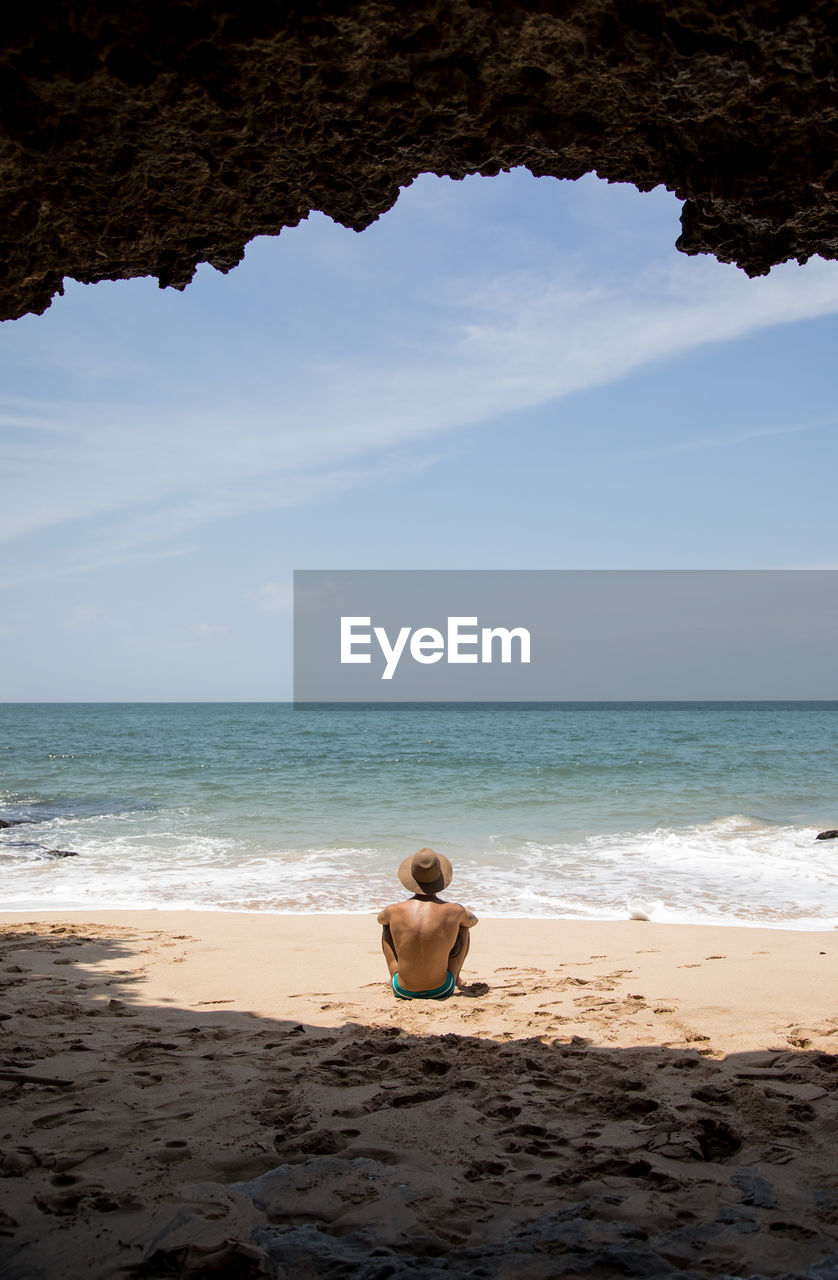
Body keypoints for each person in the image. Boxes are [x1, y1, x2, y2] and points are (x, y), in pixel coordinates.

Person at [377, 847, 478, 1000]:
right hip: (442, 989)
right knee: (463, 927)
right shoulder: (454, 910)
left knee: (387, 926)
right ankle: (456, 977)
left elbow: (380, 919)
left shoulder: (394, 910)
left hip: (401, 989)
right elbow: (473, 921)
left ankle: (393, 975)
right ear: (439, 878)